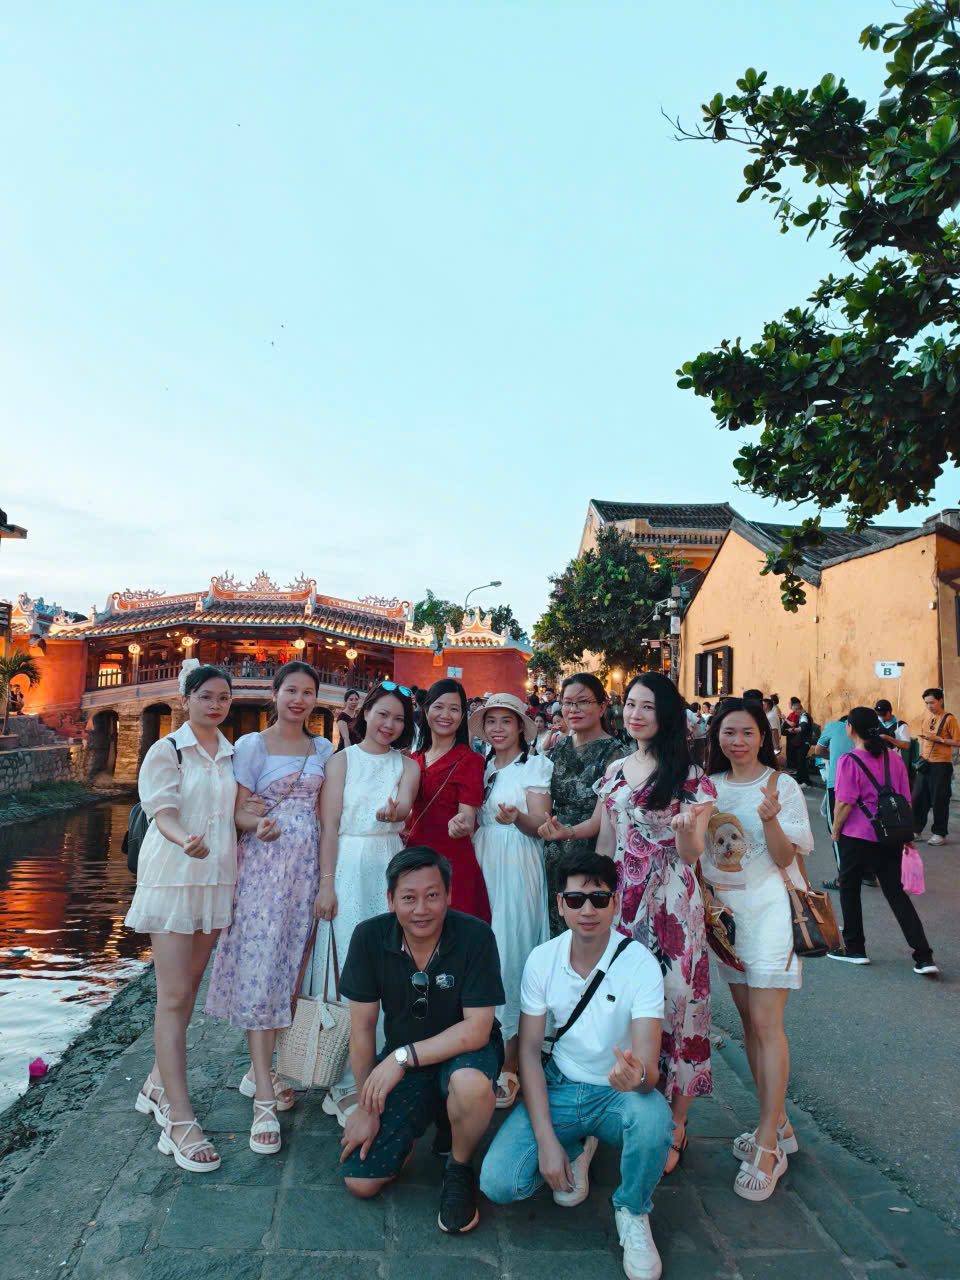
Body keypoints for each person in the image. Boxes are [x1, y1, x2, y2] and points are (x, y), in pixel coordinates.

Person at [480, 850, 673, 1280]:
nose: (588, 910)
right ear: (560, 904)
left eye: (599, 899)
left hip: (617, 1094)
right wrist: (547, 1142)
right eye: (576, 899)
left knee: (654, 1119)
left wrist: (637, 1077)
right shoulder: (542, 959)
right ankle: (575, 1146)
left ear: (615, 903)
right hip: (561, 1084)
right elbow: (529, 1051)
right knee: (500, 1183)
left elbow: (649, 1071)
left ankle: (633, 1210)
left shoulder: (640, 964)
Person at [126, 661, 269, 1172]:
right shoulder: (166, 750)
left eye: (223, 698)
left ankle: (155, 1083)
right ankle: (179, 1118)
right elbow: (161, 811)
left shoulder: (232, 754)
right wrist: (182, 837)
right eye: (206, 696)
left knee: (187, 988)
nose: (215, 705)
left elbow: (232, 813)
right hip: (173, 878)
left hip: (216, 878)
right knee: (173, 996)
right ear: (186, 700)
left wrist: (256, 820)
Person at [338, 846, 505, 1235]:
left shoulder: (476, 936)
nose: (421, 909)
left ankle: (459, 1166)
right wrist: (366, 1106)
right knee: (361, 1182)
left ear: (449, 895)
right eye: (409, 898)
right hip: (407, 1058)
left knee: (468, 1085)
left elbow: (477, 1029)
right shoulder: (368, 938)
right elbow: (361, 1030)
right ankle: (431, 1115)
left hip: (465, 1054)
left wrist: (400, 1058)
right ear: (390, 900)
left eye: (432, 896)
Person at [204, 661, 334, 1152]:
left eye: (307, 692)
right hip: (263, 870)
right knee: (261, 972)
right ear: (275, 694)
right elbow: (237, 812)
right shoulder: (252, 746)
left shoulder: (323, 749)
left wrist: (327, 880)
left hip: (306, 872)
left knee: (291, 973)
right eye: (291, 690)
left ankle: (265, 1071)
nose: (299, 700)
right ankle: (263, 1096)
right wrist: (255, 823)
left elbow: (326, 816)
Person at [594, 672, 716, 1177]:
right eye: (630, 704)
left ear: (666, 715)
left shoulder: (690, 776)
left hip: (671, 902)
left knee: (678, 1005)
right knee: (624, 1004)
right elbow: (606, 843)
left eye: (647, 706)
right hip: (621, 900)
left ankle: (676, 1122)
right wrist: (593, 899)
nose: (635, 714)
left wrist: (685, 830)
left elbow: (691, 854)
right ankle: (627, 1105)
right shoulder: (615, 769)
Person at [702, 699, 814, 1202]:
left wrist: (770, 820)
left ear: (762, 736)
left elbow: (787, 856)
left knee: (768, 1026)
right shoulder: (709, 786)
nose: (738, 741)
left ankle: (768, 1143)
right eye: (729, 732)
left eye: (747, 732)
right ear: (717, 737)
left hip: (769, 916)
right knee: (749, 1025)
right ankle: (779, 1121)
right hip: (728, 922)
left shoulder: (781, 786)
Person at [311, 682, 421, 1123]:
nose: (388, 725)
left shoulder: (407, 765)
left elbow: (405, 805)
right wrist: (326, 885)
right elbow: (329, 825)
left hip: (388, 863)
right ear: (366, 713)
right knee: (345, 962)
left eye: (398, 719)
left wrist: (394, 813)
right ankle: (340, 1079)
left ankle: (380, 1067)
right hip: (347, 862)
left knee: (390, 963)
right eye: (382, 714)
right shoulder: (341, 761)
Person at [471, 694, 552, 1109]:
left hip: (518, 860)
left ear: (521, 726)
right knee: (482, 953)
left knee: (512, 952)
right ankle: (480, 1049)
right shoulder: (481, 766)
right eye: (491, 721)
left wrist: (517, 817)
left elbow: (541, 823)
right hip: (482, 858)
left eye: (506, 721)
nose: (498, 728)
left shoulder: (534, 766)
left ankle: (511, 1063)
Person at [829, 707, 939, 975]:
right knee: (896, 894)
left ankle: (855, 948)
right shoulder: (894, 759)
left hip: (857, 835)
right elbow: (905, 799)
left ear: (850, 728)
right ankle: (924, 957)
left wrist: (835, 831)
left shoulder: (849, 760)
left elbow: (844, 803)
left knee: (849, 889)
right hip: (890, 835)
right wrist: (907, 834)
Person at [537, 673, 626, 936]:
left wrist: (568, 832)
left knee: (588, 930)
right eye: (567, 703)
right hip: (554, 852)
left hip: (595, 852)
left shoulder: (615, 754)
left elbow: (605, 816)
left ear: (602, 707)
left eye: (583, 702)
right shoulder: (559, 747)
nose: (573, 709)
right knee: (557, 930)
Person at [408, 679, 489, 920]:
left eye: (454, 709)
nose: (445, 715)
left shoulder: (471, 760)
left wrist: (462, 824)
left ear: (462, 716)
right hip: (413, 857)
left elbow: (467, 815)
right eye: (439, 707)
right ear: (426, 710)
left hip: (452, 861)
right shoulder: (412, 760)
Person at [810, 714, 857, 890]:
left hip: (837, 784)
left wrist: (836, 757)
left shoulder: (834, 726)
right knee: (859, 828)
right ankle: (867, 873)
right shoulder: (871, 732)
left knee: (837, 830)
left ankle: (843, 878)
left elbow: (818, 751)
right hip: (864, 784)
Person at [912, 687, 960, 845]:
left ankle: (939, 833)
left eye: (932, 702)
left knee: (940, 800)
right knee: (918, 798)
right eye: (926, 703)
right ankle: (916, 830)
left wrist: (940, 740)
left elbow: (958, 741)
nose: (929, 706)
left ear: (940, 701)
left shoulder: (949, 719)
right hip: (925, 764)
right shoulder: (927, 717)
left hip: (941, 765)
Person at [784, 696, 813, 786]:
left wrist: (792, 730)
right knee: (800, 761)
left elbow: (802, 728)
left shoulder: (804, 716)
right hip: (804, 742)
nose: (795, 713)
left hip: (805, 742)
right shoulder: (803, 716)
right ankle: (802, 780)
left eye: (796, 711)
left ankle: (805, 781)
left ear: (799, 709)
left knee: (801, 761)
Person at [686, 700, 706, 767]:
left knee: (692, 757)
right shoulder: (689, 713)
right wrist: (700, 716)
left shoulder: (685, 713)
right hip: (698, 738)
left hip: (690, 738)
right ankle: (699, 771)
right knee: (699, 758)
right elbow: (701, 722)